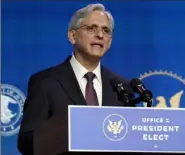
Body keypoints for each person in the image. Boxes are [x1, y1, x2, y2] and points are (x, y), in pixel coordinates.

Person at [17, 3, 135, 155]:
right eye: (92, 28)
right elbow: (26, 142)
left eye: (106, 31)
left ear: (109, 41)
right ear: (72, 36)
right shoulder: (45, 82)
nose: (100, 35)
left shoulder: (122, 86)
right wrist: (66, 134)